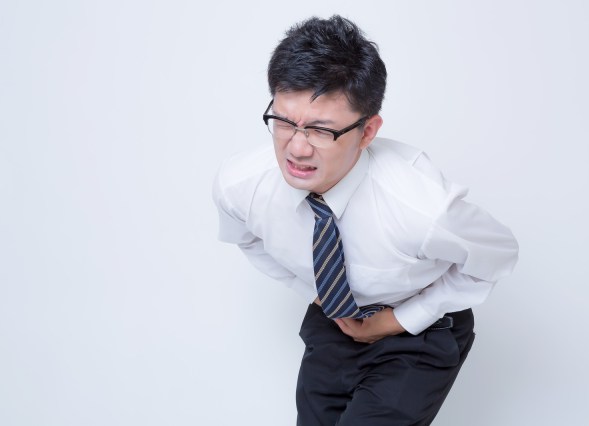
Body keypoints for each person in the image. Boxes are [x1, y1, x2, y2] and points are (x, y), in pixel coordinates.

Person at [213, 15, 518, 426]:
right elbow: (248, 240)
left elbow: (496, 255)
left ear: (368, 130)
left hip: (419, 331)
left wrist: (396, 320)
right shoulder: (241, 185)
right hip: (335, 322)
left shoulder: (420, 206)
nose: (297, 148)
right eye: (284, 122)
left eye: (322, 130)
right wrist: (317, 292)